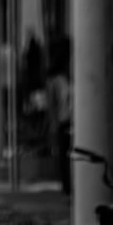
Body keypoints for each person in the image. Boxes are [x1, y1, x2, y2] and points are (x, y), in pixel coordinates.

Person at [46, 49, 72, 196]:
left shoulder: (70, 77)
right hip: (63, 121)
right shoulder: (56, 81)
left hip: (71, 121)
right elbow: (52, 105)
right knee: (64, 155)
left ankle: (70, 185)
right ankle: (66, 186)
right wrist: (53, 124)